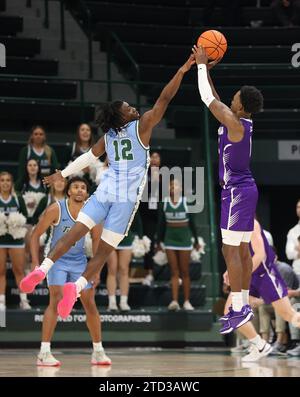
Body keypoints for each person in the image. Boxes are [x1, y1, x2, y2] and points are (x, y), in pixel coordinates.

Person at [20, 53, 196, 319]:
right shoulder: (143, 126)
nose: (133, 107)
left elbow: (88, 157)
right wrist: (182, 70)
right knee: (102, 254)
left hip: (104, 190)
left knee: (72, 235)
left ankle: (43, 268)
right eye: (127, 107)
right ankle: (77, 288)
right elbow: (164, 98)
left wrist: (63, 173)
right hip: (125, 198)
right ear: (121, 116)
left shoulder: (108, 136)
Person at [192, 45, 264, 333]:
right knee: (242, 251)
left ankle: (237, 306)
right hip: (244, 190)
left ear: (242, 107)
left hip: (235, 192)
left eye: (235, 98)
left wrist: (199, 65)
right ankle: (243, 304)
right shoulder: (240, 121)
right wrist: (207, 72)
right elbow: (217, 99)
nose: (231, 99)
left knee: (229, 251)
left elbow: (208, 98)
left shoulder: (234, 122)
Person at [31, 176, 111, 366]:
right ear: (68, 191)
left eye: (83, 187)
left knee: (89, 302)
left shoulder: (93, 213)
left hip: (79, 261)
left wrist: (96, 270)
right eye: (75, 187)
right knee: (56, 300)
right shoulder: (55, 209)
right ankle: (44, 352)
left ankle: (98, 351)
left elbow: (98, 244)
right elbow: (35, 235)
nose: (79, 190)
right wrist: (37, 265)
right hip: (56, 260)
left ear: (87, 193)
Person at [222, 219, 300, 362]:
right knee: (231, 311)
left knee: (289, 315)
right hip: (249, 276)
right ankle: (260, 345)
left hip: (264, 274)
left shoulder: (250, 223)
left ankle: (260, 345)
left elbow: (260, 254)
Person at [156, 179, 200, 311]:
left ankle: (187, 301)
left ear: (181, 189)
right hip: (170, 240)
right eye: (171, 185)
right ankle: (174, 301)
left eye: (176, 185)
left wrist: (196, 241)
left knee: (185, 271)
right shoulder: (163, 203)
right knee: (174, 272)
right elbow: (161, 225)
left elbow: (192, 223)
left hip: (185, 240)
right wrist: (158, 242)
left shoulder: (186, 202)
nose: (174, 187)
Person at [0, 172, 31, 310]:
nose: (5, 183)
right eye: (2, 180)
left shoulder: (18, 198)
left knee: (19, 270)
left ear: (11, 182)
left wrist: (15, 223)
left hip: (16, 240)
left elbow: (25, 218)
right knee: (0, 272)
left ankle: (23, 300)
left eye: (8, 180)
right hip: (0, 240)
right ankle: (1, 301)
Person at [106, 212, 143, 312]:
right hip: (109, 237)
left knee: (124, 269)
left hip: (126, 238)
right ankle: (112, 302)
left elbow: (137, 221)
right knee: (112, 269)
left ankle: (123, 301)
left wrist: (140, 238)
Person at [139, 151, 162, 286]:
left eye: (156, 157)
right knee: (147, 241)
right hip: (145, 213)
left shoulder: (164, 175)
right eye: (152, 156)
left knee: (159, 241)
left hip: (159, 213)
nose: (154, 159)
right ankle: (149, 272)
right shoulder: (143, 175)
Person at [285, 199, 300, 271]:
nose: (299, 209)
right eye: (298, 207)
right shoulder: (292, 231)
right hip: (298, 271)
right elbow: (289, 254)